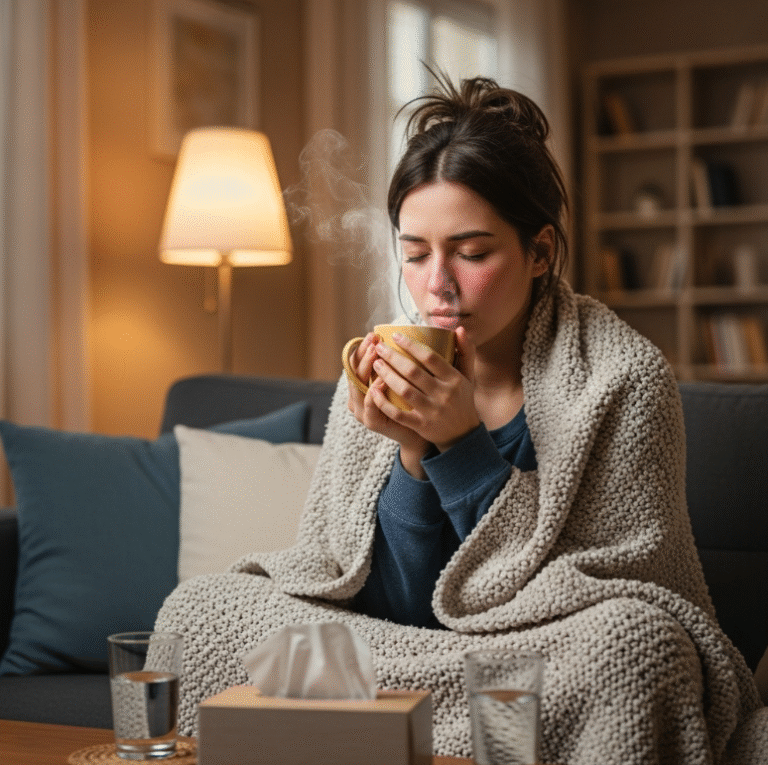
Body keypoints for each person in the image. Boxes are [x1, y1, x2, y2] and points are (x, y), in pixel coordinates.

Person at [156, 75, 767, 764]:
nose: (438, 283)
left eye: (472, 252)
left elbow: (623, 593)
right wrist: (413, 456)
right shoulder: (377, 369)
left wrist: (462, 446)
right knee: (200, 606)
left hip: (538, 650)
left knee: (637, 646)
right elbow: (389, 603)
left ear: (538, 252)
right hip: (412, 650)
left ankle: (387, 722)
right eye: (415, 253)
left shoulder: (622, 378)